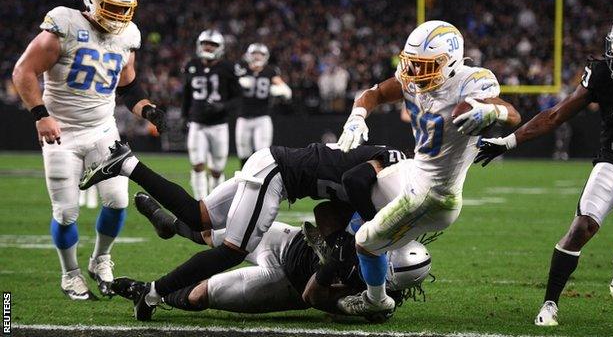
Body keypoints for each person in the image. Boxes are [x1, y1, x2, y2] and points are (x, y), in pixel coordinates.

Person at [79, 141, 404, 320]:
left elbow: (326, 209)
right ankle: (151, 293)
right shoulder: (393, 165)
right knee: (233, 248)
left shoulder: (384, 178)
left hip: (272, 164)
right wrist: (374, 227)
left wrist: (337, 242)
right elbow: (355, 181)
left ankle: (126, 163)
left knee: (199, 216)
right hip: (277, 173)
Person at [335, 20, 521, 317]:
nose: (415, 74)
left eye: (426, 65)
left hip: (435, 195)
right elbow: (376, 93)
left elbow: (512, 114)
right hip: (415, 171)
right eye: (413, 64)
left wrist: (492, 110)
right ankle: (369, 251)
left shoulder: (470, 82)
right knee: (361, 184)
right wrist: (358, 116)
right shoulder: (413, 77)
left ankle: (377, 300)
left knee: (366, 242)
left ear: (451, 63)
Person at [11, 0, 166, 300]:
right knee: (66, 213)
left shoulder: (127, 36)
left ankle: (100, 259)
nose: (119, 15)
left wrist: (148, 110)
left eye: (125, 8)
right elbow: (23, 70)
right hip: (62, 133)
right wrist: (41, 115)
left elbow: (129, 87)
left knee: (118, 201)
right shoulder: (64, 24)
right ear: (92, 0)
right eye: (111, 6)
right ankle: (70, 274)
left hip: (103, 130)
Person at [474, 12, 613, 326]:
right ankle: (550, 304)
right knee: (581, 227)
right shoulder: (602, 73)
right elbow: (556, 115)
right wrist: (510, 142)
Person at [113, 200, 431, 320]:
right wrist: (335, 242)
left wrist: (330, 265)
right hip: (287, 240)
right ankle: (168, 224)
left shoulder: (375, 300)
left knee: (200, 295)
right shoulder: (375, 233)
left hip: (285, 284)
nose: (371, 254)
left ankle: (145, 292)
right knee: (218, 233)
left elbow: (314, 298)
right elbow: (324, 210)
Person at [182, 29, 241, 199]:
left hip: (218, 124)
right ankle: (200, 202)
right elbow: (186, 94)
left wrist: (223, 106)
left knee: (216, 170)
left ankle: (215, 202)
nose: (208, 47)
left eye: (212, 44)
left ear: (220, 47)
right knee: (197, 164)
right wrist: (184, 116)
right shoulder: (192, 65)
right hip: (197, 123)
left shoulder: (228, 68)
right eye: (205, 43)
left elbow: (238, 97)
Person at [236, 43, 291, 167]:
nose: (257, 57)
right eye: (255, 54)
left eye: (261, 54)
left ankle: (262, 180)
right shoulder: (241, 70)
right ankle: (245, 178)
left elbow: (286, 91)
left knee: (263, 152)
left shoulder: (270, 71)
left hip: (262, 117)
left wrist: (282, 90)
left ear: (266, 56)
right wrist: (238, 82)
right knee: (243, 152)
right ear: (249, 55)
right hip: (243, 116)